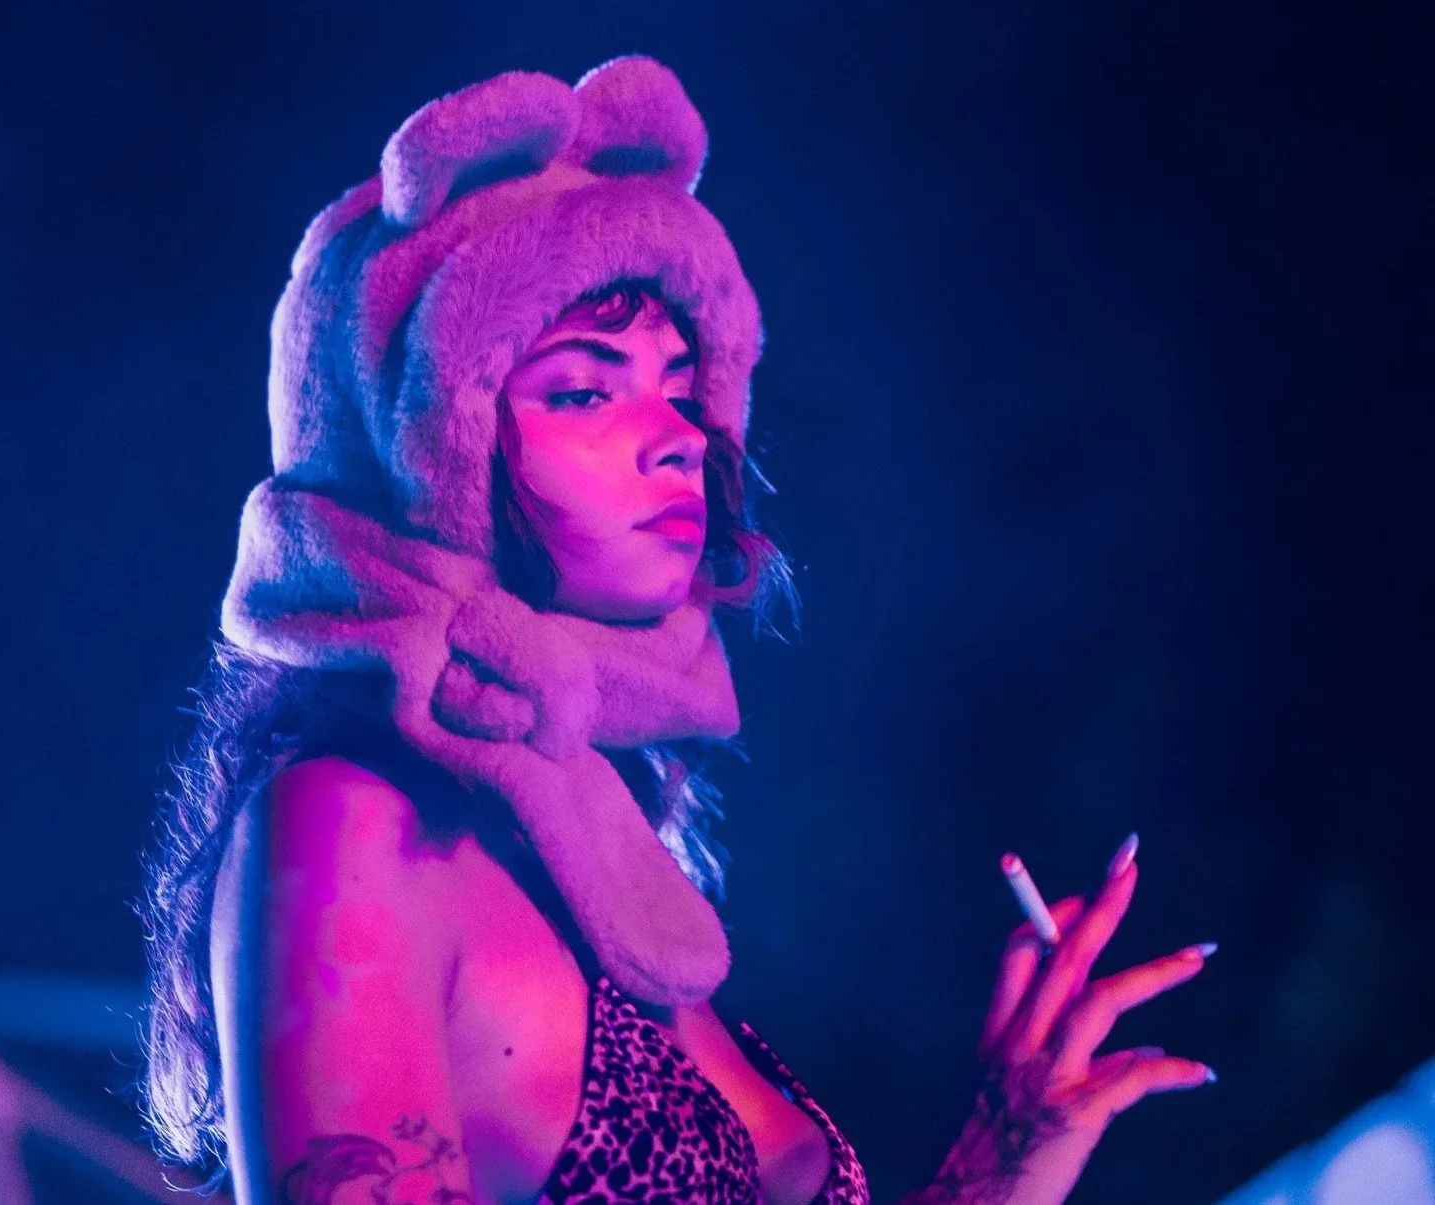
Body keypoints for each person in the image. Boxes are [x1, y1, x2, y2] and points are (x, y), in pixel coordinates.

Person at [141, 57, 1214, 1205]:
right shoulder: (354, 819)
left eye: (678, 384)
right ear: (419, 448)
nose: (677, 435)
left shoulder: (605, 857)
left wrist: (1003, 1149)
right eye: (583, 390)